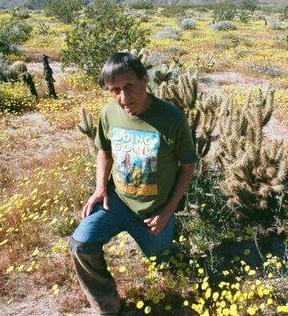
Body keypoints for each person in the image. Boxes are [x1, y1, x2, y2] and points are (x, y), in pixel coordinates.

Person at [68, 52, 197, 315]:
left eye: (129, 87)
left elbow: (188, 166)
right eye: (115, 90)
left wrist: (167, 211)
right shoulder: (108, 114)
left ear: (145, 80)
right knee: (80, 243)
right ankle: (107, 307)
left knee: (162, 261)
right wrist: (100, 189)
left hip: (154, 213)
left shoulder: (172, 119)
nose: (123, 98)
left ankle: (173, 239)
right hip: (116, 203)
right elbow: (103, 150)